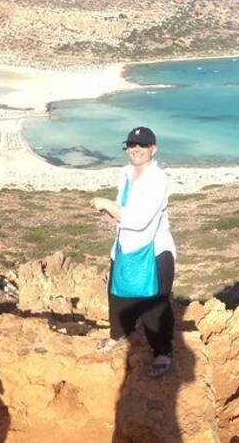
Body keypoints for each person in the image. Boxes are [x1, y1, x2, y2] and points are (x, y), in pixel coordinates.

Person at [91, 126, 176, 377]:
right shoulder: (126, 173)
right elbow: (124, 208)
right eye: (132, 145)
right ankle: (119, 335)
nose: (136, 149)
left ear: (153, 149)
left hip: (154, 251)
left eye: (143, 145)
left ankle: (163, 350)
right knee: (118, 296)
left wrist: (107, 205)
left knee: (154, 304)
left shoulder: (158, 179)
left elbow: (139, 220)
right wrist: (113, 209)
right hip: (126, 247)